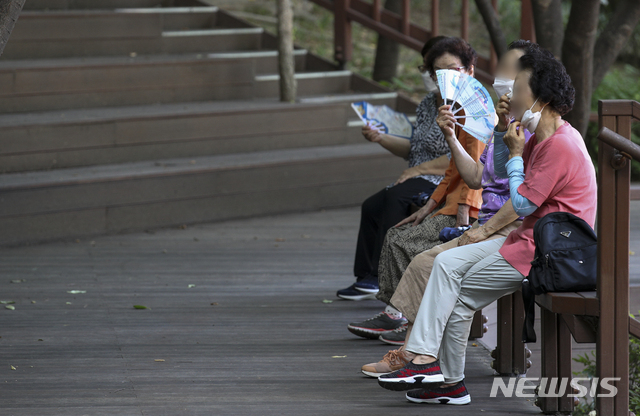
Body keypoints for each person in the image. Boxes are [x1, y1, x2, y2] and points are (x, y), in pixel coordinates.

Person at [376, 47, 597, 406]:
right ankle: (433, 368)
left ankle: (440, 374)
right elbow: (491, 172)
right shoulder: (542, 137)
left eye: (519, 88)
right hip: (527, 238)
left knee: (458, 295)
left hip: (547, 253)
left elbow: (523, 202)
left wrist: (513, 155)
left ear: (540, 95)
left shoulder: (561, 146)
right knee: (446, 267)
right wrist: (500, 132)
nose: (510, 95)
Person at [356, 41, 537, 377]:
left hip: (513, 231)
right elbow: (477, 174)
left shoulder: (538, 133)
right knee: (421, 253)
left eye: (508, 71)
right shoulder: (503, 123)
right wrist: (453, 136)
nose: (498, 78)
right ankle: (422, 358)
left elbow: (523, 201)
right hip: (490, 220)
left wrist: (477, 224)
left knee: (434, 264)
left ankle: (428, 363)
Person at [346, 37, 485, 337]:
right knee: (397, 232)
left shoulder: (476, 112)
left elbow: (476, 175)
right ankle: (399, 313)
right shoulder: (446, 108)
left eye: (453, 70)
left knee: (403, 237)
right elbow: (453, 169)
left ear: (470, 71)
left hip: (471, 211)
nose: (445, 78)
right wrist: (428, 207)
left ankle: (406, 319)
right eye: (438, 73)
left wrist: (463, 216)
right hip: (445, 200)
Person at [336, 36, 452, 302]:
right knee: (371, 205)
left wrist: (418, 169)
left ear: (467, 69)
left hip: (441, 179)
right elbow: (413, 148)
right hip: (417, 173)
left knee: (395, 196)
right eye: (431, 70)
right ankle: (365, 276)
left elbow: (466, 156)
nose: (434, 75)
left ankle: (380, 277)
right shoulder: (427, 104)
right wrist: (381, 138)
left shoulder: (466, 107)